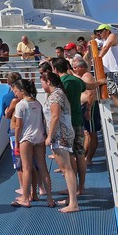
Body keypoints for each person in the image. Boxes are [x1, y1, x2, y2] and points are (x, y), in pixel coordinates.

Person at [12, 78, 54, 208]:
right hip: (39, 137)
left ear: (22, 91)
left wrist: (17, 142)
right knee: (43, 168)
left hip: (27, 139)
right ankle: (50, 199)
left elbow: (18, 125)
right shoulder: (37, 103)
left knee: (27, 168)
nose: (16, 94)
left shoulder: (21, 105)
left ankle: (25, 198)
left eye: (17, 91)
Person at [41, 71, 78, 213]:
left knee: (66, 168)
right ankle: (71, 198)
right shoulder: (58, 93)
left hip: (60, 136)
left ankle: (74, 203)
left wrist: (49, 136)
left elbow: (55, 116)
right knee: (67, 168)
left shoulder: (56, 95)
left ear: (48, 82)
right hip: (63, 134)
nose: (42, 84)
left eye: (42, 81)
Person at [53, 57, 87, 195]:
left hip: (67, 123)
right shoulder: (76, 80)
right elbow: (87, 86)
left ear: (55, 69)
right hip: (78, 120)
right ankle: (81, 187)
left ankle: (72, 188)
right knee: (80, 154)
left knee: (69, 156)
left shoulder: (61, 84)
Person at [71, 56, 101, 164]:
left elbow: (91, 94)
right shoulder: (82, 76)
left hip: (90, 107)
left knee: (92, 134)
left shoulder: (87, 76)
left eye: (75, 67)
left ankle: (88, 159)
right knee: (87, 133)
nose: (74, 69)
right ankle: (85, 157)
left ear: (82, 67)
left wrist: (88, 110)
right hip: (85, 107)